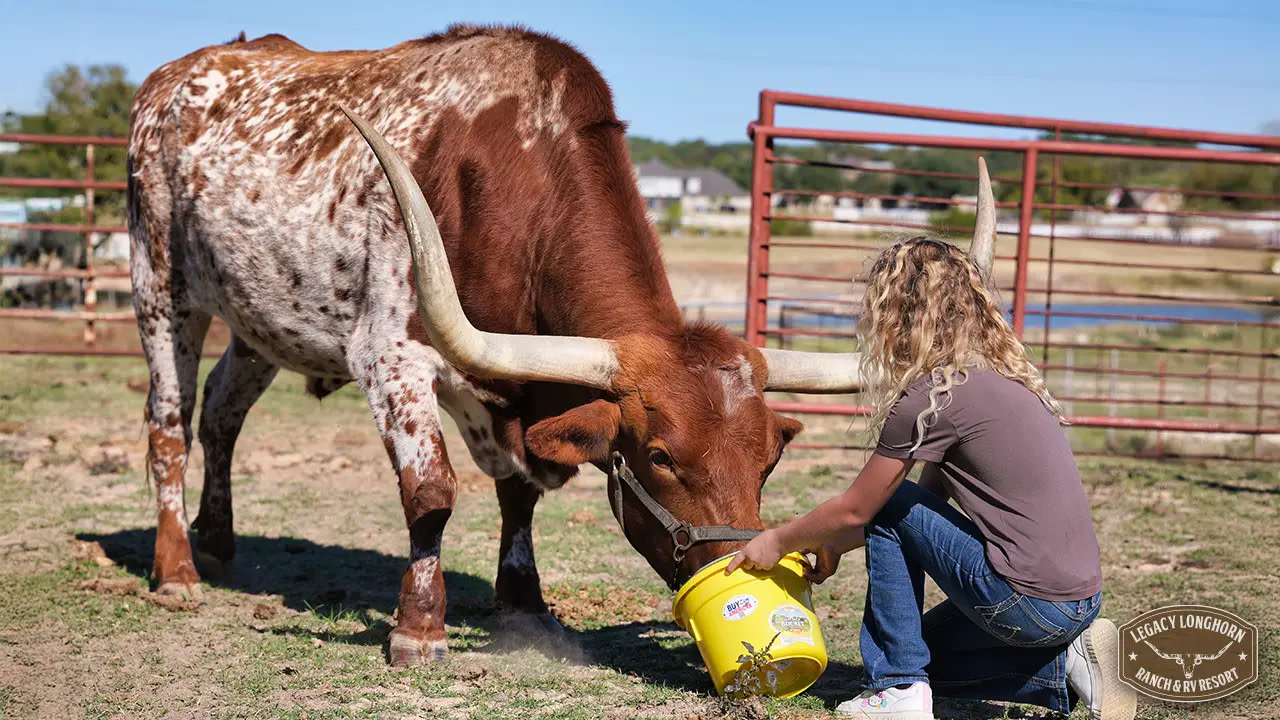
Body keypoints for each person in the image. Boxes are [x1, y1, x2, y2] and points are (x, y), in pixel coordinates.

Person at [726, 237, 1136, 720]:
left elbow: (865, 508)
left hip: (1028, 604)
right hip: (1077, 604)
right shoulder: (1000, 380)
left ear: (896, 313)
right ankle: (1067, 668)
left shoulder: (931, 399)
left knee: (892, 504)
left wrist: (777, 540)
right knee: (927, 655)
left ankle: (898, 689)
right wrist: (834, 546)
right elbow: (926, 512)